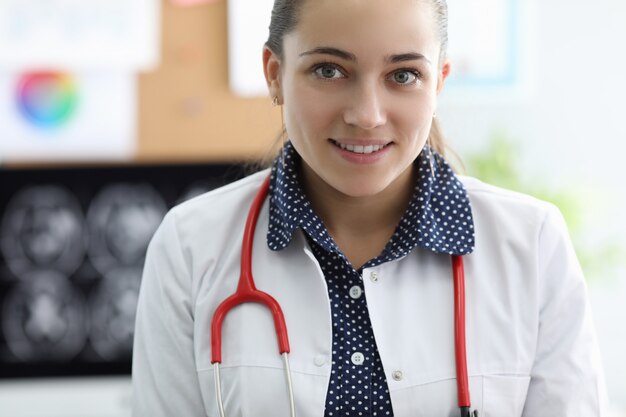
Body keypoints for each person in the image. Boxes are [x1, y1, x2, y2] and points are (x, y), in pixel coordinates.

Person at [131, 0, 609, 415]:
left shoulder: (532, 243)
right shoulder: (191, 245)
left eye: (403, 75)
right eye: (329, 70)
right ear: (275, 74)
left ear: (438, 83)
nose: (367, 114)